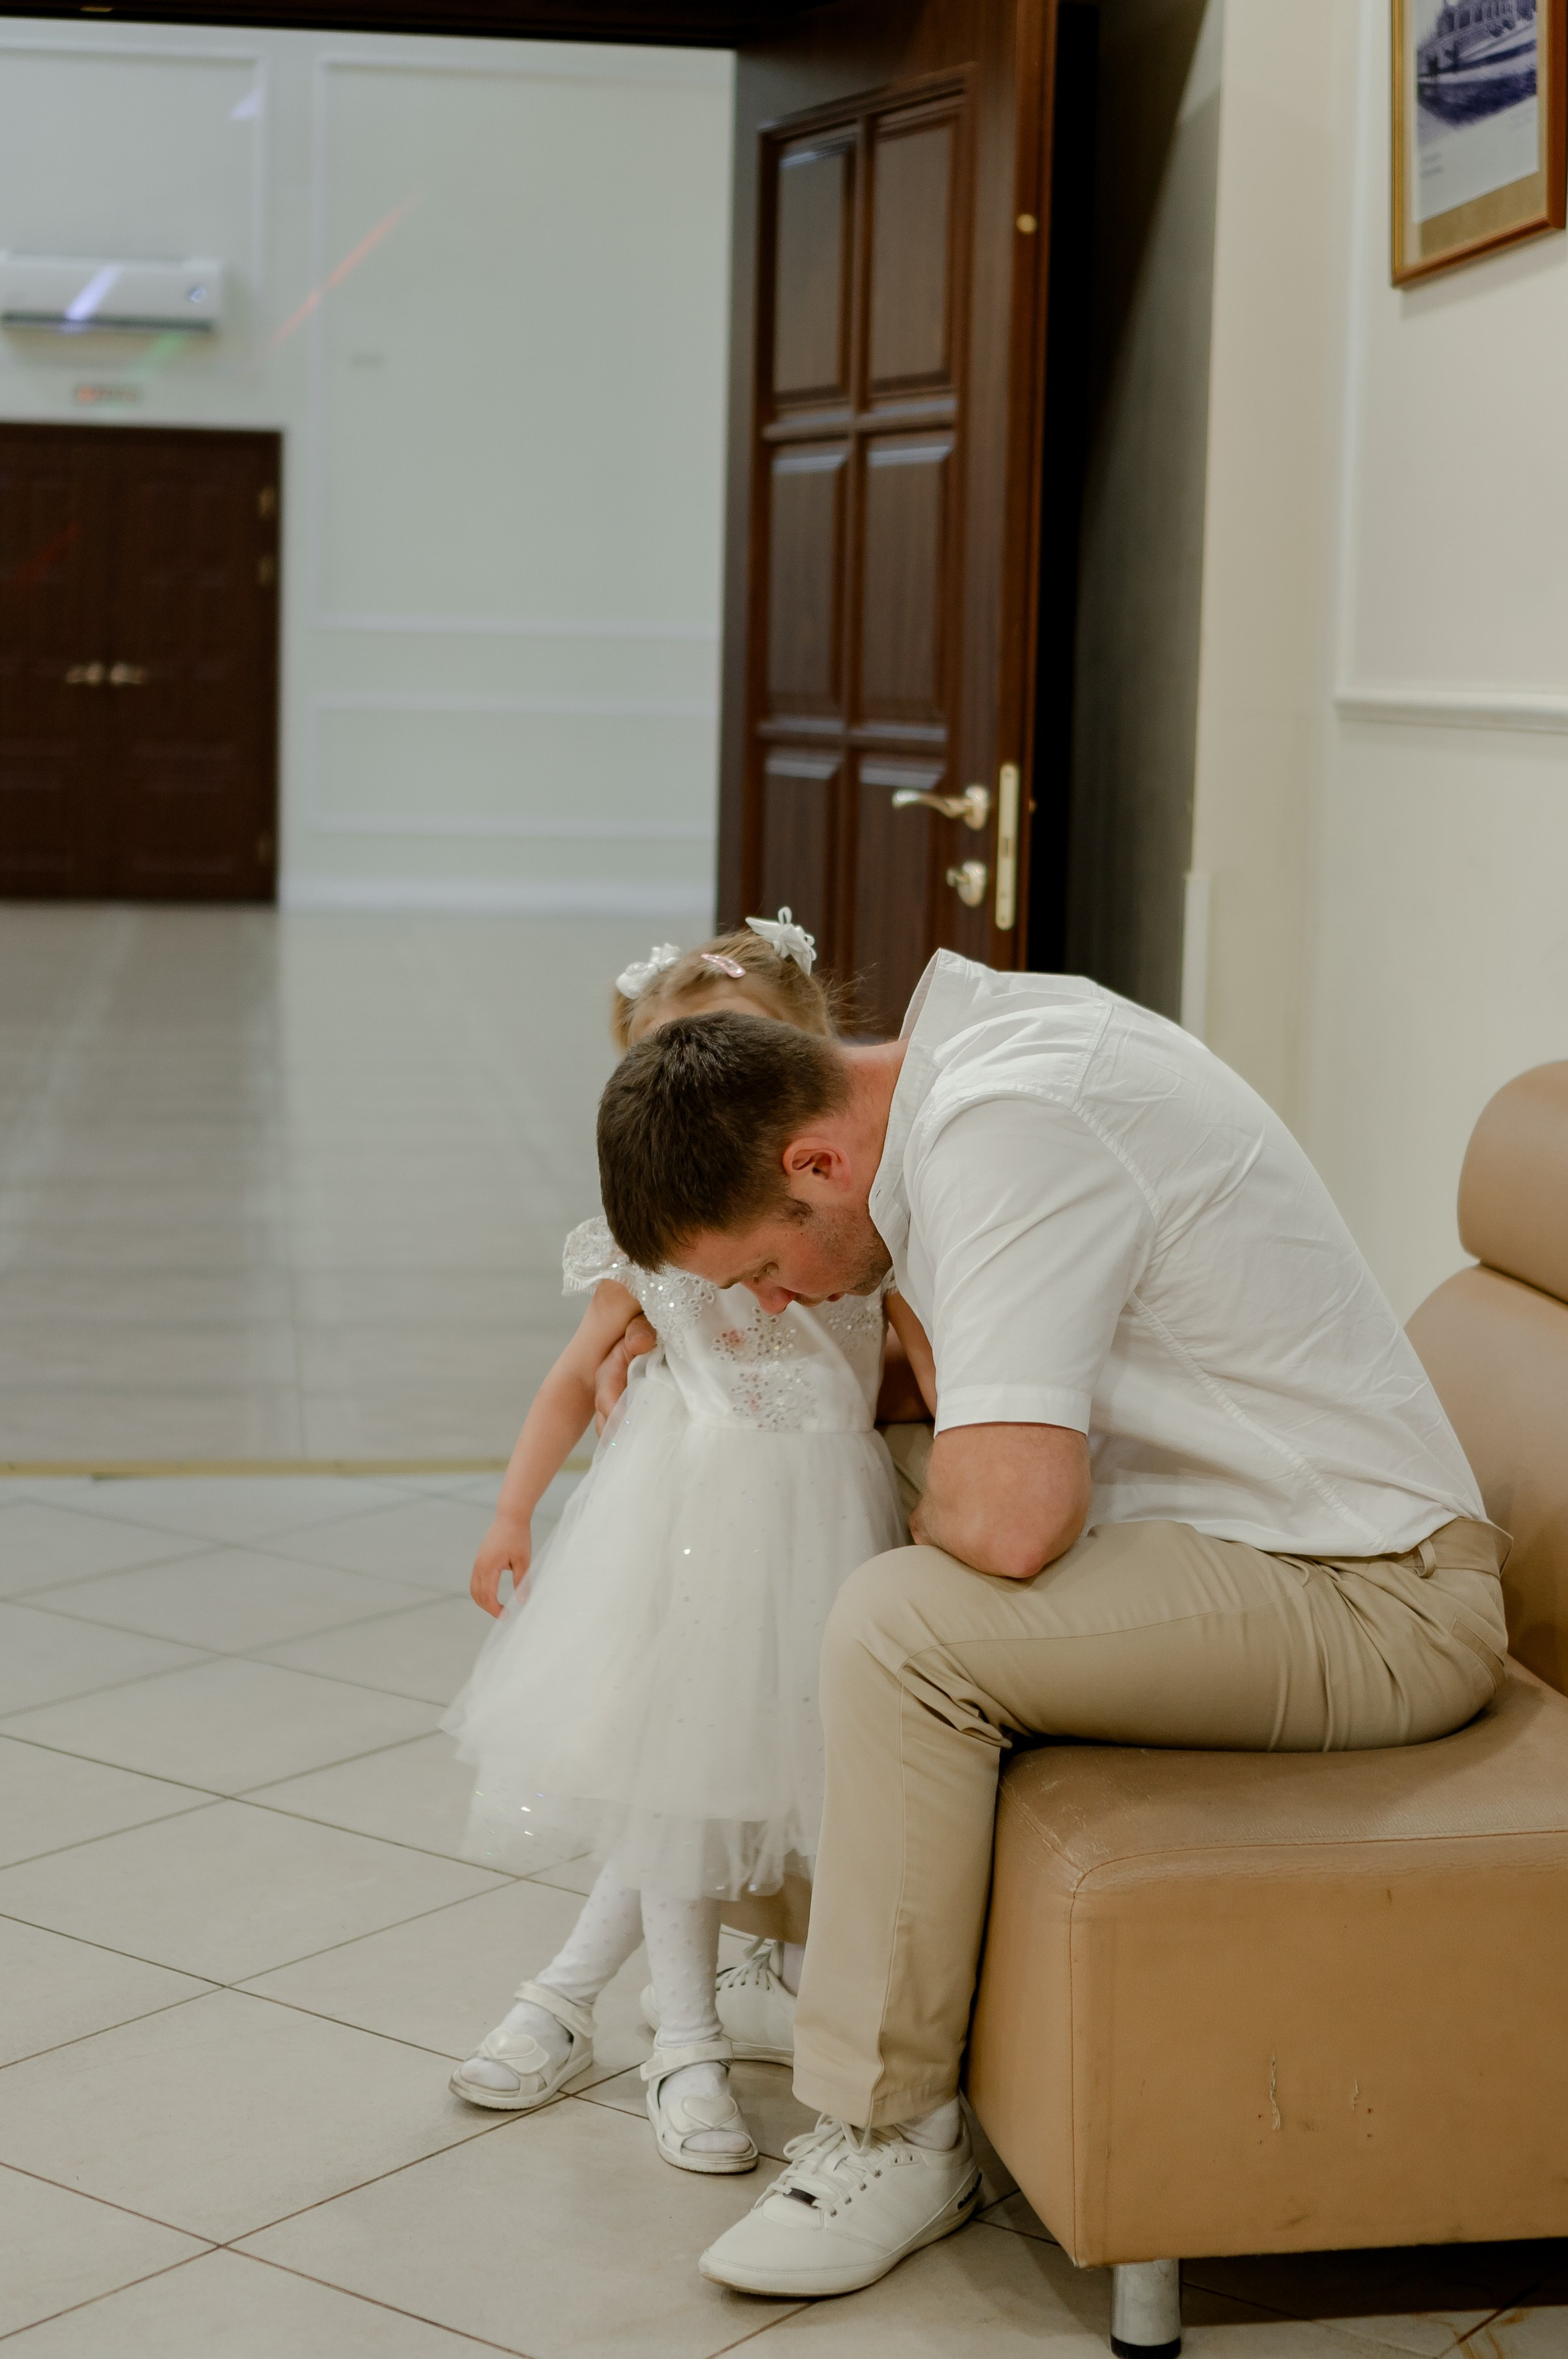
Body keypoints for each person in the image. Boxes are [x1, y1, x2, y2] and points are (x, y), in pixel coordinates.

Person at [594, 947, 1509, 2299]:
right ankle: (809, 1950)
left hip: (1368, 1591)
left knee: (900, 1627)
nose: (773, 1304)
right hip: (1229, 1536)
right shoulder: (963, 1058)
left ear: (813, 1166)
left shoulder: (1008, 1127)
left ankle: (891, 2131)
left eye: (765, 1270)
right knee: (776, 1487)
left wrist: (944, 1509)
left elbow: (1012, 1520)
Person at [441, 913, 906, 2177]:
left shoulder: (869, 1210)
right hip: (689, 1520)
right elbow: (565, 1378)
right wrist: (510, 1511)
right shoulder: (650, 1247)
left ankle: (572, 1999)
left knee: (708, 1791)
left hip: (827, 1529)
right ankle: (679, 2038)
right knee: (677, 1778)